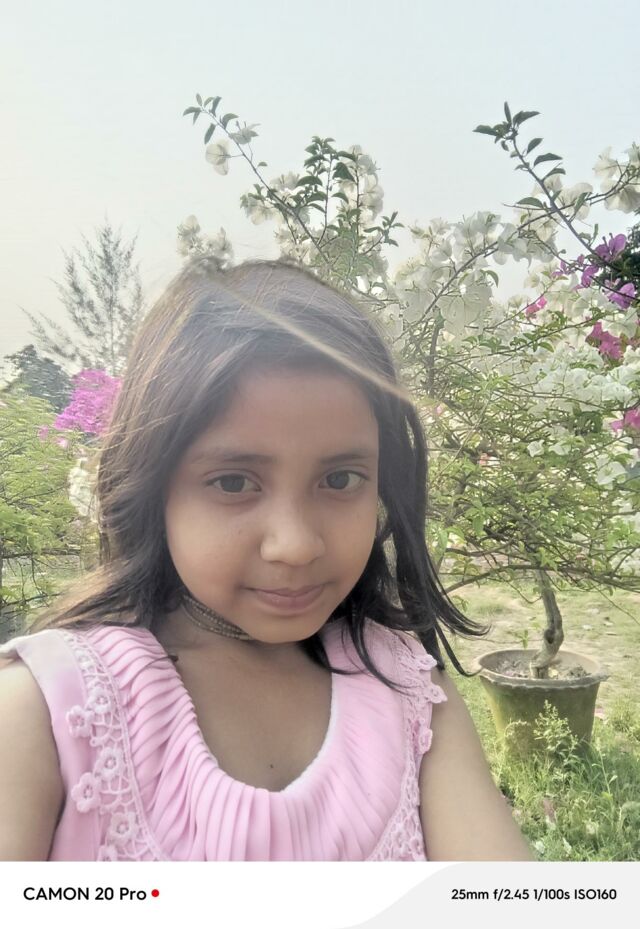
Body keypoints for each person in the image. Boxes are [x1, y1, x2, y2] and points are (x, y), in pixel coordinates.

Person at [0, 259, 533, 862]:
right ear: (152, 488)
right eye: (233, 482)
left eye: (340, 478)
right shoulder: (45, 715)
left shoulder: (412, 696)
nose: (296, 545)